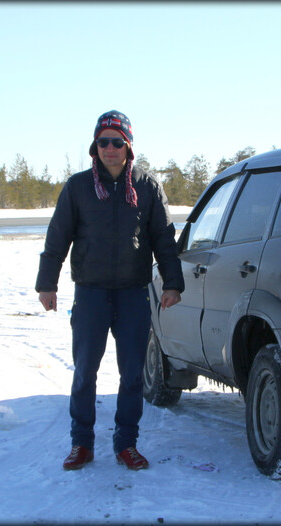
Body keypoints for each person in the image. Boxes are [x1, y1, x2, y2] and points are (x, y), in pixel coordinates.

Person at [35, 110, 184, 471]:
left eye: (117, 142)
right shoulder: (78, 187)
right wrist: (47, 283)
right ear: (95, 147)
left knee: (132, 372)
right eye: (103, 142)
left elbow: (163, 239)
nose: (110, 149)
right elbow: (58, 237)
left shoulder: (147, 187)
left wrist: (173, 282)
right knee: (85, 370)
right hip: (91, 294)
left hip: (133, 293)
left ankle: (125, 443)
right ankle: (81, 443)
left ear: (128, 146)